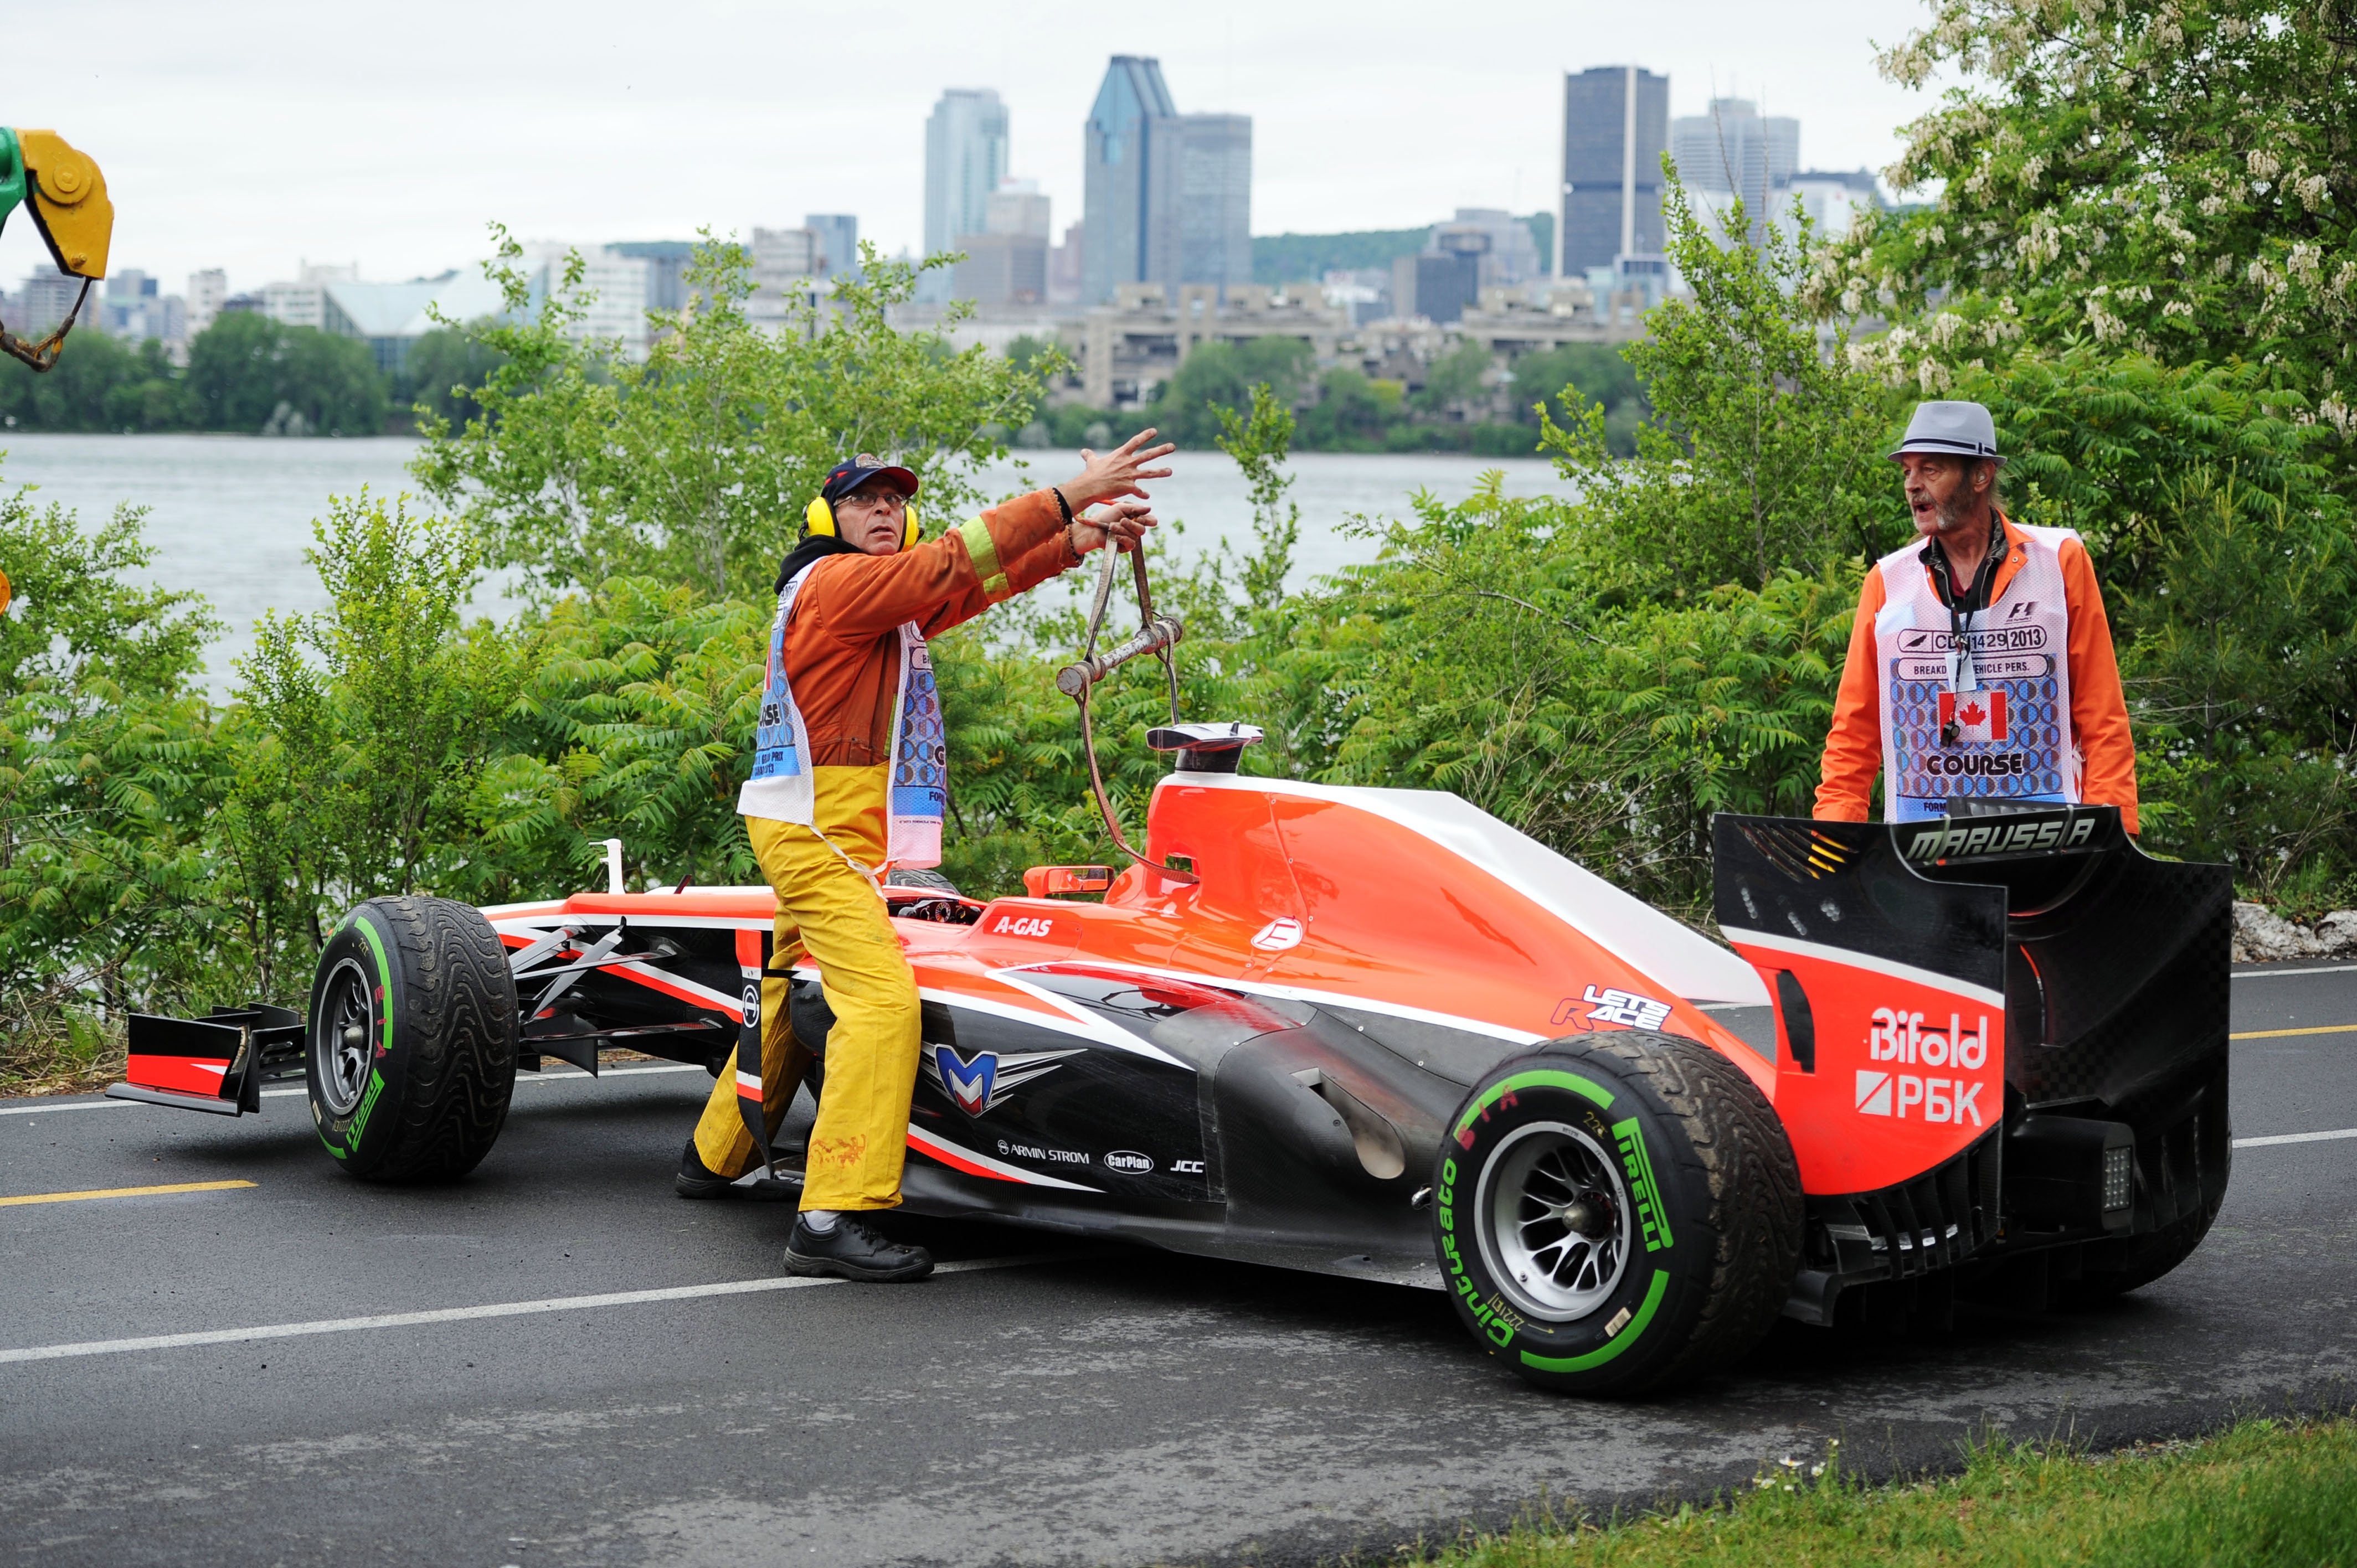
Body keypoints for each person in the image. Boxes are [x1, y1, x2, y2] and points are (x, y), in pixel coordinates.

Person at [675, 432, 1175, 1282]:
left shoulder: (873, 603)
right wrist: (1068, 495)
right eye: (867, 499)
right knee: (879, 1005)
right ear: (826, 518)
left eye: (896, 501)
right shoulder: (838, 586)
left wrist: (1081, 538)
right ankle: (835, 1213)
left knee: (790, 987)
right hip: (818, 831)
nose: (885, 511)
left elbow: (969, 584)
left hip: (824, 825)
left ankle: (714, 1154)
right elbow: (949, 563)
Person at [1815, 400, 2138, 830]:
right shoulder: (1888, 582)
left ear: (1981, 475)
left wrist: (2116, 836)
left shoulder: (2060, 563)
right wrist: (1833, 841)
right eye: (1907, 471)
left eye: (1931, 470)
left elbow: (2102, 714)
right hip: (1926, 851)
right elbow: (1854, 734)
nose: (1912, 485)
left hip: (2044, 845)